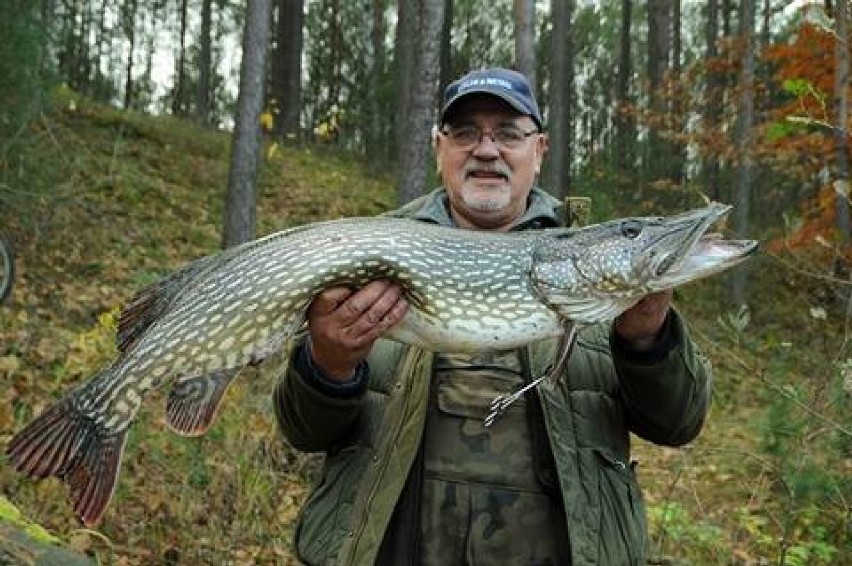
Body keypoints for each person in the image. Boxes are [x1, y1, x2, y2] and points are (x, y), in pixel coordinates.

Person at [273, 67, 712, 566]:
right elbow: (303, 431)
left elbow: (679, 423)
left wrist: (648, 342)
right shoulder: (371, 255)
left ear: (539, 149)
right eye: (464, 133)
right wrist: (328, 366)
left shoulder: (594, 263)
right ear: (439, 149)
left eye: (508, 133)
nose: (486, 149)